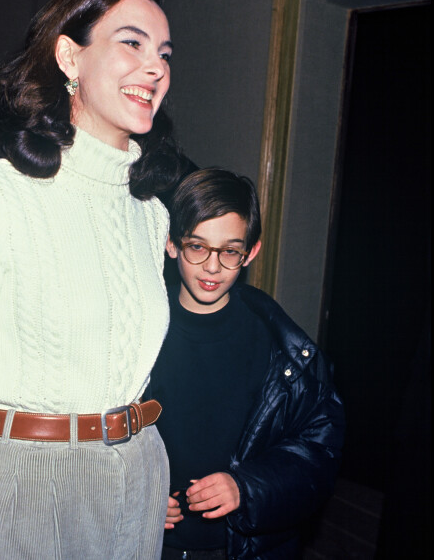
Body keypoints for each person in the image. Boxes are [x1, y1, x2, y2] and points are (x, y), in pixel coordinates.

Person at [0, 0, 185, 558]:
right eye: (132, 42)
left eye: (164, 52)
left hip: (139, 475)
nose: (154, 67)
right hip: (29, 485)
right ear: (68, 57)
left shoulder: (151, 214)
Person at [145, 168, 346, 559]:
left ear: (250, 252)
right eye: (197, 246)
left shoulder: (286, 352)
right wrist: (136, 495)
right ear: (171, 244)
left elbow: (318, 455)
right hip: (146, 545)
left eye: (229, 251)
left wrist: (246, 487)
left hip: (239, 548)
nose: (212, 266)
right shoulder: (133, 333)